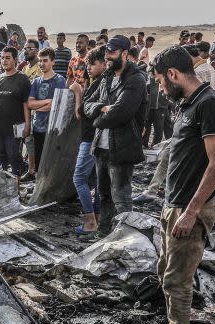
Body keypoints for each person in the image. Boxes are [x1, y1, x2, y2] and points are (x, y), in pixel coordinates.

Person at [144, 45, 215, 324]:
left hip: (191, 208)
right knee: (166, 268)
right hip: (175, 203)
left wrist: (191, 212)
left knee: (177, 278)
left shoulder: (210, 104)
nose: (160, 87)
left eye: (160, 80)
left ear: (173, 74)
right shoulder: (188, 104)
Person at [84, 35, 147, 235]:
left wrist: (96, 119)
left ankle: (126, 241)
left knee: (120, 197)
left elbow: (120, 114)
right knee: (103, 195)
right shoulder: (107, 77)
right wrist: (102, 108)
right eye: (106, 52)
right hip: (100, 147)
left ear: (125, 53)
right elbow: (86, 103)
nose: (107, 56)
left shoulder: (136, 79)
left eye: (112, 52)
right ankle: (104, 236)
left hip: (122, 148)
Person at [0, 47, 31, 177]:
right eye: (2, 58)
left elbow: (26, 104)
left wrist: (27, 125)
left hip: (15, 127)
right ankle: (2, 188)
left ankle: (17, 188)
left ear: (15, 59)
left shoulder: (23, 79)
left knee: (14, 157)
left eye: (8, 58)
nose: (4, 60)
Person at [73, 45, 107, 234]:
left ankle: (90, 221)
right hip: (95, 137)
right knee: (96, 179)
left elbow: (81, 113)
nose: (89, 68)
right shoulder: (99, 82)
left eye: (92, 64)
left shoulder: (101, 83)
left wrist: (78, 91)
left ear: (103, 63)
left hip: (91, 138)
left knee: (79, 178)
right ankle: (97, 219)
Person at [27, 48, 68, 181]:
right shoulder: (36, 81)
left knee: (52, 163)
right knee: (39, 163)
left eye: (45, 61)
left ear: (53, 62)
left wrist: (42, 105)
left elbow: (56, 105)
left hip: (53, 129)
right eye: (40, 61)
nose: (42, 64)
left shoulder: (59, 80)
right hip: (38, 127)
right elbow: (29, 104)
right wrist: (48, 101)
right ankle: (40, 188)